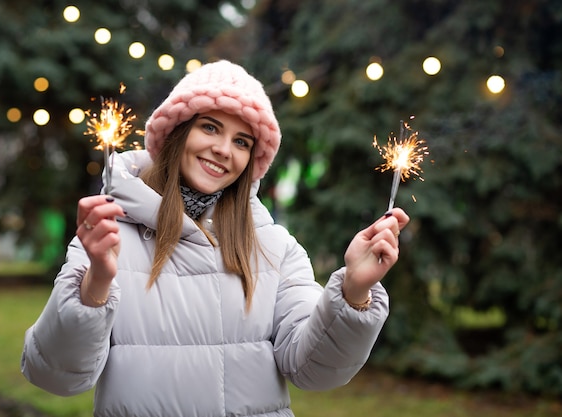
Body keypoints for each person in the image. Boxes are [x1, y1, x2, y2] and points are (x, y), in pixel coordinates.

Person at [21, 60, 409, 417]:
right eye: (210, 127)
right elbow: (54, 376)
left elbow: (314, 371)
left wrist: (354, 293)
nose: (224, 150)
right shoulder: (107, 238)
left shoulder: (274, 247)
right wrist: (96, 286)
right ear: (176, 132)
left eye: (242, 141)